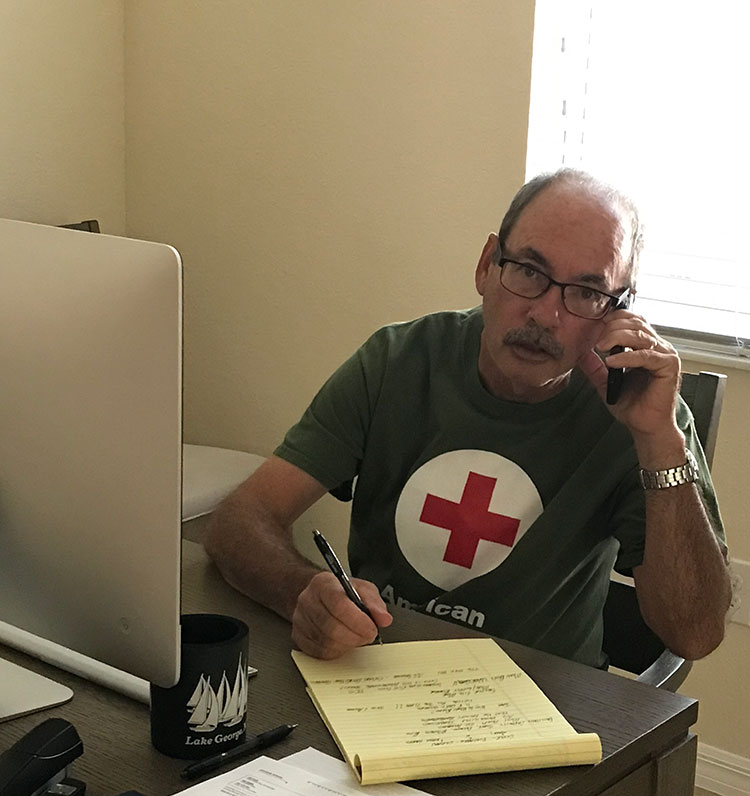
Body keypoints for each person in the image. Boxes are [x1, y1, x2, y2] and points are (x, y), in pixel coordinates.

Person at [204, 169, 731, 664]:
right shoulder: (398, 361)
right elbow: (239, 520)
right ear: (486, 266)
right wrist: (302, 593)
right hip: (374, 677)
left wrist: (660, 443)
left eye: (588, 293)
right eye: (529, 271)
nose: (546, 314)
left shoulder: (644, 418)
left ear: (619, 312)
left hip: (544, 706)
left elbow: (695, 634)